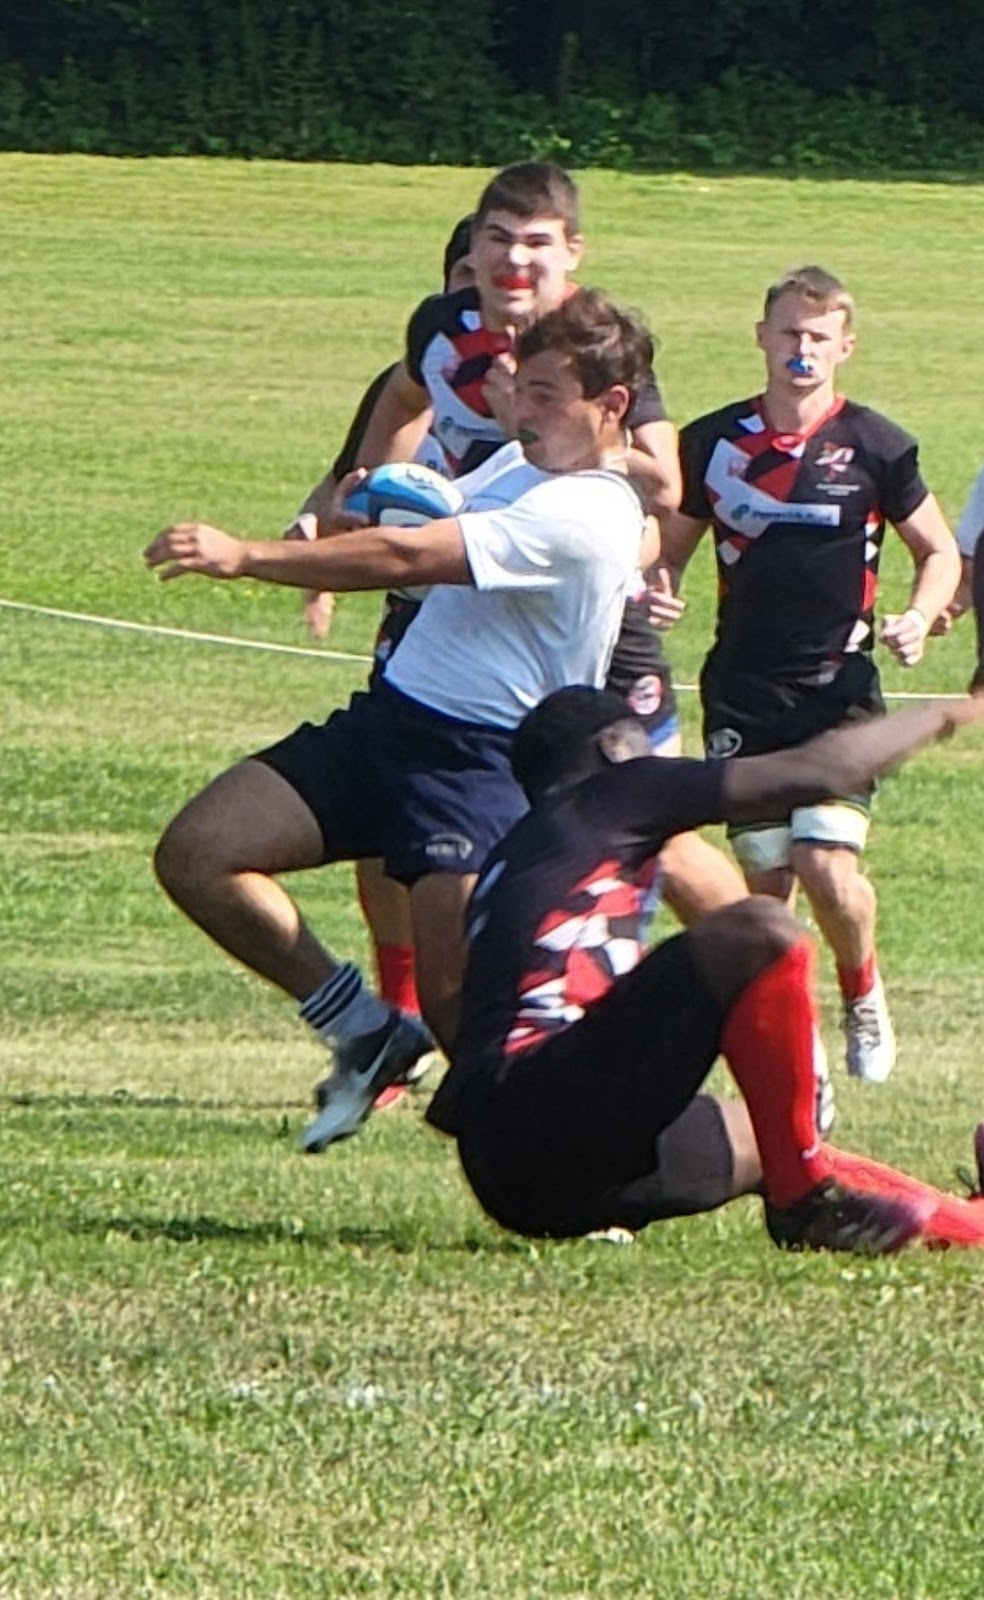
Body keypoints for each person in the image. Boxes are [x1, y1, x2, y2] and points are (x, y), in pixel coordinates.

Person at [144, 289, 656, 1152]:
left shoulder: (589, 514)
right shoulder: (525, 467)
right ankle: (370, 1030)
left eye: (543, 397)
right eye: (518, 389)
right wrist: (365, 504)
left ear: (609, 408)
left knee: (468, 1014)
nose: (520, 413)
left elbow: (410, 555)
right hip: (390, 724)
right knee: (199, 852)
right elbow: (420, 531)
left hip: (482, 766)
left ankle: (580, 1165)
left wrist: (249, 556)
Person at [425, 684, 984, 1254]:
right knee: (759, 930)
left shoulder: (519, 854)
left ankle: (971, 1225)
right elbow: (823, 771)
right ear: (617, 747)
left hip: (513, 1174)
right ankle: (802, 1201)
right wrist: (947, 711)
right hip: (543, 1107)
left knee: (777, 1138)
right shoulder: (613, 789)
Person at [659, 265, 961, 1084]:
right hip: (744, 693)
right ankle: (798, 1048)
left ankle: (862, 992)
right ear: (761, 336)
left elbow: (936, 550)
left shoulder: (878, 445)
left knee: (829, 868)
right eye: (789, 332)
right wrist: (657, 593)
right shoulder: (713, 442)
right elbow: (671, 552)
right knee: (767, 891)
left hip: (839, 692)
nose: (802, 350)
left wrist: (918, 616)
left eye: (819, 337)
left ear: (845, 348)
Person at [283, 214, 476, 1080]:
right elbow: (347, 487)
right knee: (383, 831)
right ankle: (398, 1013)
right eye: (463, 276)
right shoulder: (409, 379)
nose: (481, 291)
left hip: (504, 627)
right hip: (411, 622)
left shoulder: (553, 385)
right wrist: (315, 551)